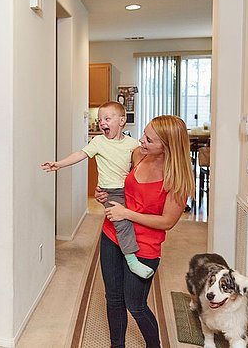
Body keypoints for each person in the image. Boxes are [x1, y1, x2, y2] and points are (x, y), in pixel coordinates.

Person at [95, 115, 195, 347]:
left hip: (145, 247)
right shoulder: (139, 155)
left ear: (166, 147)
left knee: (136, 305)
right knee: (113, 298)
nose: (140, 141)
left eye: (148, 139)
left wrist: (128, 214)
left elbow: (167, 221)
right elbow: (124, 191)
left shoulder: (177, 181)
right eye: (143, 134)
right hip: (113, 234)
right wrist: (106, 196)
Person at [41, 101, 153, 279]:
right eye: (100, 120)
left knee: (136, 219)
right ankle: (132, 261)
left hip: (128, 189)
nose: (102, 123)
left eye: (107, 118)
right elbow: (80, 154)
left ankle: (133, 255)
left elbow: (142, 164)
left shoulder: (132, 144)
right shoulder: (98, 142)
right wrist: (58, 164)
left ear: (122, 121)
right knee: (122, 223)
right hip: (111, 191)